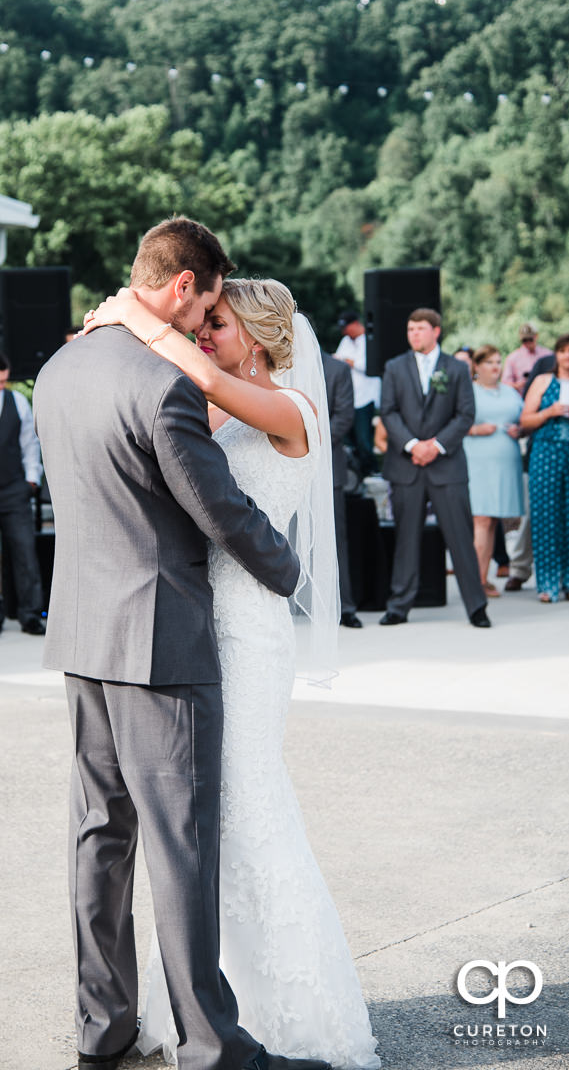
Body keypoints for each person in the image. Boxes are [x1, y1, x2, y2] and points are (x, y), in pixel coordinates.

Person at [34, 218, 331, 1070]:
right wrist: (282, 571)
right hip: (164, 639)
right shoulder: (161, 383)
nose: (200, 326)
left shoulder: (61, 368)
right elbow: (219, 511)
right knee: (181, 843)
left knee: (99, 834)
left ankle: (104, 1029)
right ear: (181, 286)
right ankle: (210, 1048)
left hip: (83, 633)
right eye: (201, 307)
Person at [85, 273, 380, 1069]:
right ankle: (211, 1006)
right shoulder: (222, 407)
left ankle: (286, 1009)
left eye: (217, 320)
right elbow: (182, 425)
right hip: (194, 627)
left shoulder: (291, 410)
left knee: (248, 803)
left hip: (249, 635)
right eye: (203, 319)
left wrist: (133, 319)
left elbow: (205, 378)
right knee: (197, 819)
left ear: (255, 332)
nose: (206, 332)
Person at [379, 308, 490, 627]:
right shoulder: (394, 367)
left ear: (436, 331)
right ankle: (399, 605)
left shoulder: (456, 368)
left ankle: (476, 606)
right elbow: (388, 411)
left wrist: (435, 446)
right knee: (406, 539)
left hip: (447, 466)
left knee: (460, 538)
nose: (413, 333)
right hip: (406, 465)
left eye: (420, 328)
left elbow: (465, 414)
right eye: (410, 328)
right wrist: (413, 445)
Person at [0, 350, 45, 635]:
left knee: (25, 554)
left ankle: (30, 615)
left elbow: (29, 441)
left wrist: (31, 478)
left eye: (3, 381)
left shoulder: (16, 401)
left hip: (15, 489)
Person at [462, 346, 524, 597]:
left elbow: (523, 419)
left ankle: (483, 577)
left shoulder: (510, 392)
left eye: (498, 362)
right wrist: (476, 430)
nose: (495, 367)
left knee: (492, 521)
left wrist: (519, 430)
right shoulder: (468, 391)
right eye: (489, 362)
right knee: (481, 519)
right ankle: (475, 581)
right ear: (477, 366)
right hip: (478, 460)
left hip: (506, 462)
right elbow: (452, 422)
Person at [519, 333, 569, 603]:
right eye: (563, 351)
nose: (567, 356)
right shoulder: (542, 381)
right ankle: (548, 583)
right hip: (547, 451)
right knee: (545, 516)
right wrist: (549, 412)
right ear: (556, 355)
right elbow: (525, 420)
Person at [322, 350, 362, 628]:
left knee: (336, 540)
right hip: (280, 463)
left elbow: (344, 417)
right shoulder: (273, 364)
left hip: (328, 465)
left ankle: (345, 606)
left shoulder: (337, 370)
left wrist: (307, 441)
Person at [333, 311, 381, 478]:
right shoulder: (346, 341)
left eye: (346, 328)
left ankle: (371, 470)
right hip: (348, 398)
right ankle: (356, 472)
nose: (344, 332)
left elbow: (368, 365)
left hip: (365, 397)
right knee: (349, 439)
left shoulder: (369, 341)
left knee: (363, 439)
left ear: (355, 324)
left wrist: (347, 361)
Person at [502, 323, 552, 395]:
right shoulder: (512, 358)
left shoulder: (548, 354)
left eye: (530, 339)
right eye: (524, 340)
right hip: (522, 397)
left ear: (536, 336)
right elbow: (505, 383)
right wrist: (518, 385)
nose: (528, 342)